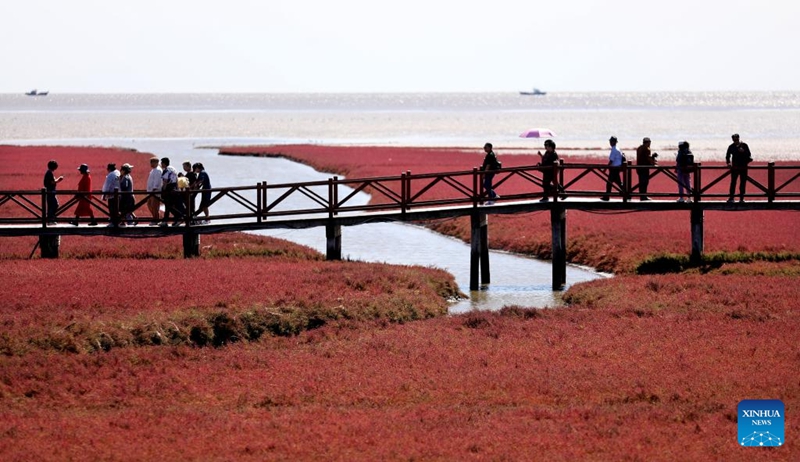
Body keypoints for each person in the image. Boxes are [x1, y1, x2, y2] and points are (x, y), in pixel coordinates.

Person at [725, 133, 752, 203]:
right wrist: (728, 163)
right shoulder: (731, 147)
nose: (735, 141)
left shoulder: (744, 145)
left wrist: (743, 151)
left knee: (743, 182)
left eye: (736, 139)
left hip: (743, 167)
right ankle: (731, 197)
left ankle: (741, 198)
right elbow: (727, 156)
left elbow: (749, 154)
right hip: (735, 167)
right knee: (733, 182)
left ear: (738, 138)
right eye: (734, 140)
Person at [159, 157, 182, 226]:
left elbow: (165, 181)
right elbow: (177, 179)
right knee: (173, 206)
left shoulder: (166, 170)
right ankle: (177, 219)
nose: (161, 164)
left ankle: (165, 221)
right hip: (175, 188)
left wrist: (163, 190)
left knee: (167, 206)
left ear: (164, 163)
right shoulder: (173, 169)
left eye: (161, 163)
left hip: (169, 189)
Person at [601, 136, 625, 201]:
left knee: (609, 182)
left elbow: (611, 160)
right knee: (618, 182)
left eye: (611, 141)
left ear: (613, 142)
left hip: (614, 169)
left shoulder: (614, 150)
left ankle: (607, 197)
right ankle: (626, 193)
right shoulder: (617, 149)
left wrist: (605, 168)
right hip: (617, 168)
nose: (610, 143)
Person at [43, 160, 64, 224]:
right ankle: (50, 219)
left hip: (50, 192)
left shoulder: (48, 172)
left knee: (51, 206)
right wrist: (59, 179)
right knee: (55, 205)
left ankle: (50, 220)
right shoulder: (49, 173)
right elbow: (52, 182)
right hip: (50, 192)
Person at [101, 163, 121, 227]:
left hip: (111, 195)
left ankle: (113, 222)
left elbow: (107, 185)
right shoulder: (118, 172)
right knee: (117, 209)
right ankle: (118, 222)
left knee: (112, 209)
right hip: (119, 194)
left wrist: (104, 195)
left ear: (109, 169)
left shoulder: (110, 175)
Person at [146, 157, 162, 225]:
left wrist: (154, 189)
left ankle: (156, 219)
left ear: (156, 162)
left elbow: (157, 181)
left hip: (155, 192)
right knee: (149, 205)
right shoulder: (153, 170)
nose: (151, 164)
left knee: (154, 206)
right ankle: (155, 218)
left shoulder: (158, 170)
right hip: (150, 191)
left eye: (152, 162)